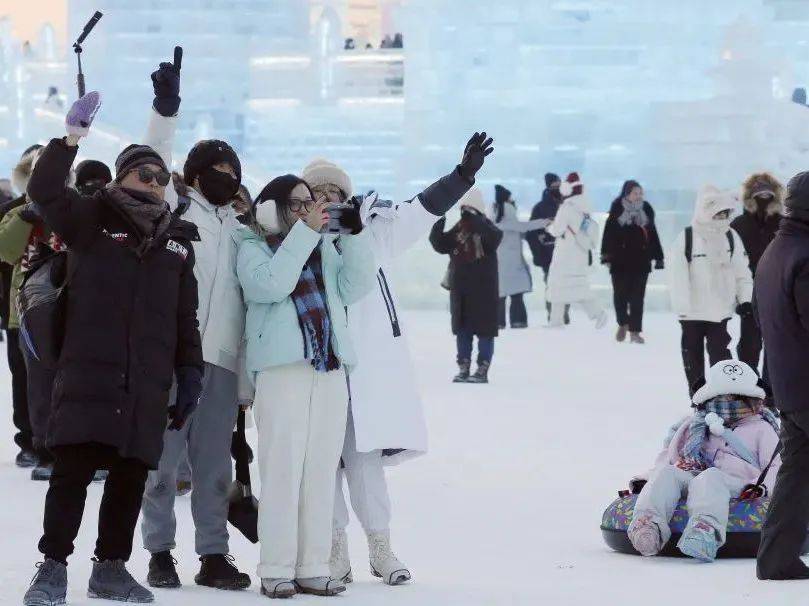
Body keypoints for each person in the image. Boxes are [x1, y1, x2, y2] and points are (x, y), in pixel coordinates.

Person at [22, 92, 203, 606]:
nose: (152, 182)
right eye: (143, 173)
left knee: (129, 476)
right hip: (88, 373)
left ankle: (111, 569)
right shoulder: (89, 219)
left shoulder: (176, 241)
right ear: (121, 176)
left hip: (145, 379)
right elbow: (44, 191)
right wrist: (70, 140)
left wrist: (190, 371)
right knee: (73, 472)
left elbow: (183, 317)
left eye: (160, 177)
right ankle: (52, 567)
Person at [300, 132, 492, 586]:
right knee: (323, 459)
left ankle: (381, 547)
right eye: (318, 192)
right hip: (315, 364)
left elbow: (423, 207)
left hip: (366, 367)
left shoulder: (375, 228)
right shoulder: (294, 234)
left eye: (335, 192)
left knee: (364, 458)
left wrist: (462, 176)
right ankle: (333, 550)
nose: (328, 199)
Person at [138, 55, 251, 592]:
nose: (228, 180)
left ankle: (213, 553)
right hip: (171, 355)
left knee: (214, 467)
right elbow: (152, 162)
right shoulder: (175, 207)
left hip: (223, 361)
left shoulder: (243, 227)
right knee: (160, 462)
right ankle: (159, 551)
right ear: (199, 173)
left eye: (235, 174)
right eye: (220, 172)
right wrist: (165, 110)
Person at [237, 174, 377, 598]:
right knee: (283, 469)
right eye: (295, 204)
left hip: (329, 365)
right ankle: (276, 566)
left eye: (309, 203)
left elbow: (357, 286)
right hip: (282, 369)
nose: (305, 210)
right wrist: (304, 234)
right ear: (272, 208)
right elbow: (270, 285)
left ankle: (313, 564)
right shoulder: (252, 245)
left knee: (318, 470)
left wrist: (353, 236)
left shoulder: (325, 247)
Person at [627, 361, 779, 561]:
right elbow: (669, 459)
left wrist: (762, 487)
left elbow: (775, 465)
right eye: (722, 397)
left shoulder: (762, 428)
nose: (728, 402)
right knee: (669, 474)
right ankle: (648, 525)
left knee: (711, 477)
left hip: (738, 483)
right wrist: (646, 479)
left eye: (735, 397)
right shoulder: (695, 425)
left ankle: (705, 530)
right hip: (694, 475)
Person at [755, 171, 809, 579]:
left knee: (795, 471)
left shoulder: (776, 250)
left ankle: (776, 558)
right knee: (795, 470)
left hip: (789, 384)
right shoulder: (804, 255)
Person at [668, 185, 753, 394]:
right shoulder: (687, 238)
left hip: (720, 311)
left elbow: (742, 272)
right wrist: (682, 307)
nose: (723, 217)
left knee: (721, 357)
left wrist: (745, 300)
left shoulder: (731, 237)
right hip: (692, 313)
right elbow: (676, 275)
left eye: (726, 213)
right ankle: (697, 396)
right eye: (719, 213)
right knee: (692, 358)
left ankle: (723, 395)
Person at [430, 188, 503, 383]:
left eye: (469, 210)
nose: (466, 214)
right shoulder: (459, 229)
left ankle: (482, 369)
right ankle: (463, 367)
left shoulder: (488, 229)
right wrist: (439, 219)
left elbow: (494, 239)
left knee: (485, 332)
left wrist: (475, 219)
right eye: (463, 210)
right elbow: (439, 244)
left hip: (484, 292)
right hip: (461, 291)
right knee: (463, 332)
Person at [0, 146, 40, 470]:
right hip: (18, 310)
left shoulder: (70, 209)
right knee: (22, 378)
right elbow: (6, 253)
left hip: (61, 309)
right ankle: (27, 439)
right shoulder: (13, 211)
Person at [600, 180, 664, 344]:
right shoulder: (617, 208)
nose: (639, 196)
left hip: (641, 260)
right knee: (620, 296)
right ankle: (623, 323)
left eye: (640, 193)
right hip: (619, 260)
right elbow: (609, 233)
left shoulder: (646, 209)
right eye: (636, 193)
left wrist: (659, 256)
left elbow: (653, 232)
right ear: (626, 193)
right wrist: (606, 255)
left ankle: (635, 331)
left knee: (637, 298)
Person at [730, 173, 783, 371]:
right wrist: (736, 296)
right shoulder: (738, 225)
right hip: (748, 293)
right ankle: (749, 389)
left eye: (768, 195)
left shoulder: (784, 224)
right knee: (749, 345)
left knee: (775, 345)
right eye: (758, 195)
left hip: (777, 292)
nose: (763, 200)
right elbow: (731, 262)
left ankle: (771, 390)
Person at [545, 173, 606, 328]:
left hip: (565, 254)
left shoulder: (567, 207)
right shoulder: (585, 207)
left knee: (558, 287)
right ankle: (598, 314)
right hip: (580, 253)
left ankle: (556, 322)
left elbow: (558, 230)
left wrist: (549, 227)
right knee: (579, 288)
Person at [492, 184, 549, 329]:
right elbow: (523, 227)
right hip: (512, 265)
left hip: (499, 264)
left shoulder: (495, 220)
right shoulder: (507, 220)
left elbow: (520, 231)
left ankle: (498, 323)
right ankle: (518, 322)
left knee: (500, 296)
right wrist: (545, 222)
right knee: (516, 296)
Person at [527, 172, 569, 322]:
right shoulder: (540, 208)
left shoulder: (569, 204)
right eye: (554, 185)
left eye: (559, 184)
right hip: (548, 255)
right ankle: (554, 315)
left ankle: (563, 313)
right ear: (548, 187)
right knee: (551, 285)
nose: (557, 188)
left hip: (567, 254)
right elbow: (530, 233)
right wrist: (538, 252)